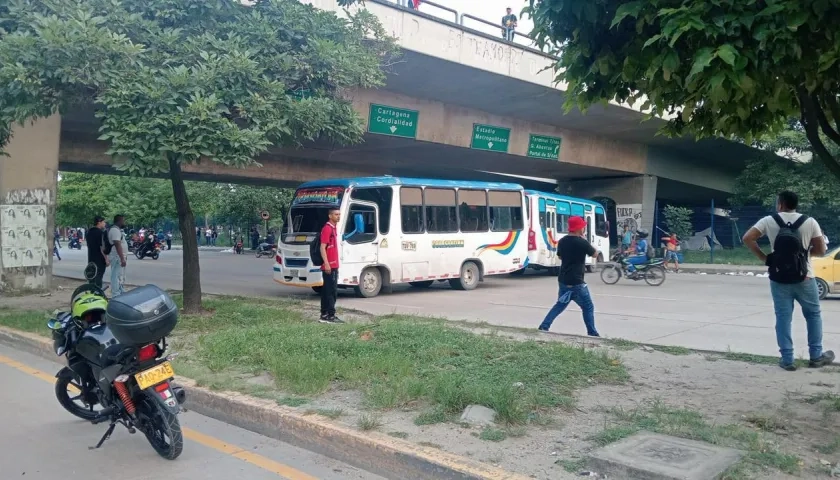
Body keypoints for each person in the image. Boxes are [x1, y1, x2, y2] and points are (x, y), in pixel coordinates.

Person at [743, 191, 834, 371]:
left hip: (779, 278)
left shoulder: (769, 220)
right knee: (813, 316)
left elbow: (747, 238)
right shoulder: (809, 222)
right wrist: (805, 254)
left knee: (783, 318)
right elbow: (822, 250)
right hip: (805, 277)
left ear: (780, 204)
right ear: (796, 204)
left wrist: (765, 258)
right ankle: (816, 356)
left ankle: (787, 359)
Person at [538, 216, 599, 336]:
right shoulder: (582, 242)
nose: (584, 228)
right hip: (577, 282)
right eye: (583, 227)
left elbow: (560, 256)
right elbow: (595, 254)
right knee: (588, 307)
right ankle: (592, 333)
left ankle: (544, 326)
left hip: (563, 280)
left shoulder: (562, 241)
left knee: (560, 305)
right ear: (579, 228)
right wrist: (585, 241)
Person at [319, 207, 343, 324]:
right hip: (330, 266)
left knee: (326, 291)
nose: (338, 216)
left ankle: (324, 314)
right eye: (336, 214)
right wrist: (327, 264)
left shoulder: (333, 228)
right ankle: (330, 315)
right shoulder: (327, 229)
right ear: (330, 216)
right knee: (331, 292)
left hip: (333, 264)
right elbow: (322, 247)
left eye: (339, 214)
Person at [107, 215, 128, 297]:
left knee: (120, 275)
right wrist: (122, 258)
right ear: (119, 221)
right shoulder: (115, 230)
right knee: (115, 276)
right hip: (117, 257)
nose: (124, 222)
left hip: (119, 257)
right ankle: (116, 294)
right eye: (123, 221)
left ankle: (120, 291)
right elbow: (117, 244)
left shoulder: (117, 230)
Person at [85, 216, 108, 288]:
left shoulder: (89, 232)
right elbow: (102, 247)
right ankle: (98, 293)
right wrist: (106, 259)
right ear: (99, 223)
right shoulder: (100, 233)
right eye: (103, 222)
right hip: (99, 259)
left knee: (92, 276)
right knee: (99, 277)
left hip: (91, 258)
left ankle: (92, 292)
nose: (105, 223)